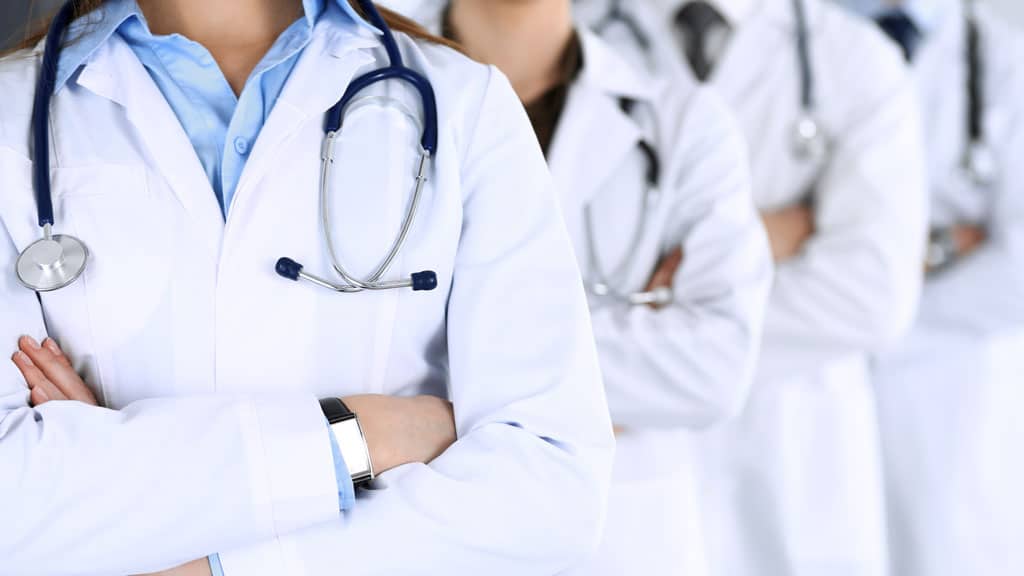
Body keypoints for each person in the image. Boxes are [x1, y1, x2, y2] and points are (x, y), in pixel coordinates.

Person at [0, 1, 616, 575]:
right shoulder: (11, 112)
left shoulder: (464, 103)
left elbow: (551, 488)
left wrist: (191, 558)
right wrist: (357, 438)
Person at [393, 1, 774, 574]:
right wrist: (587, 363)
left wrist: (440, 354)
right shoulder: (363, 97)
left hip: (624, 538)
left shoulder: (685, 124)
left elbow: (714, 367)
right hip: (420, 530)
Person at [577, 0, 929, 574]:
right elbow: (545, 265)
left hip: (796, 458)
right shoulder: (579, 37)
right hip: (634, 480)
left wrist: (663, 327)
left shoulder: (859, 60)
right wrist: (768, 239)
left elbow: (871, 295)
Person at [836, 1, 1024, 574]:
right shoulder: (794, 44)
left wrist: (860, 289)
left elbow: (1016, 274)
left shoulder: (1006, 58)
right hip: (811, 395)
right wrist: (940, 248)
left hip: (953, 399)